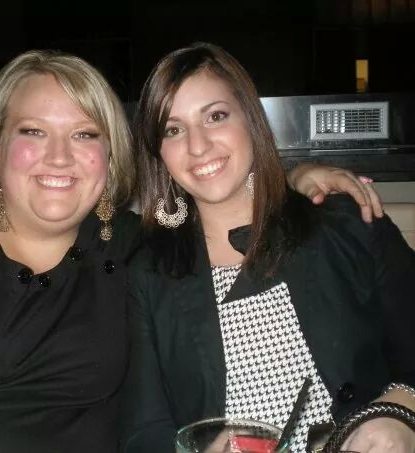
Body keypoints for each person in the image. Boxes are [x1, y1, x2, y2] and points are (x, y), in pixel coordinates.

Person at [0, 49, 383, 453]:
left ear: (110, 159)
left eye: (86, 135)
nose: (60, 157)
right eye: (33, 131)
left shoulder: (134, 245)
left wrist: (297, 180)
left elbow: (220, 198)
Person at [121, 42, 415, 453]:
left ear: (250, 118)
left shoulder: (346, 224)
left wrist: (400, 415)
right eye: (173, 129)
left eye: (216, 116)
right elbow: (143, 430)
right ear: (159, 153)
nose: (198, 145)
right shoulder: (148, 271)